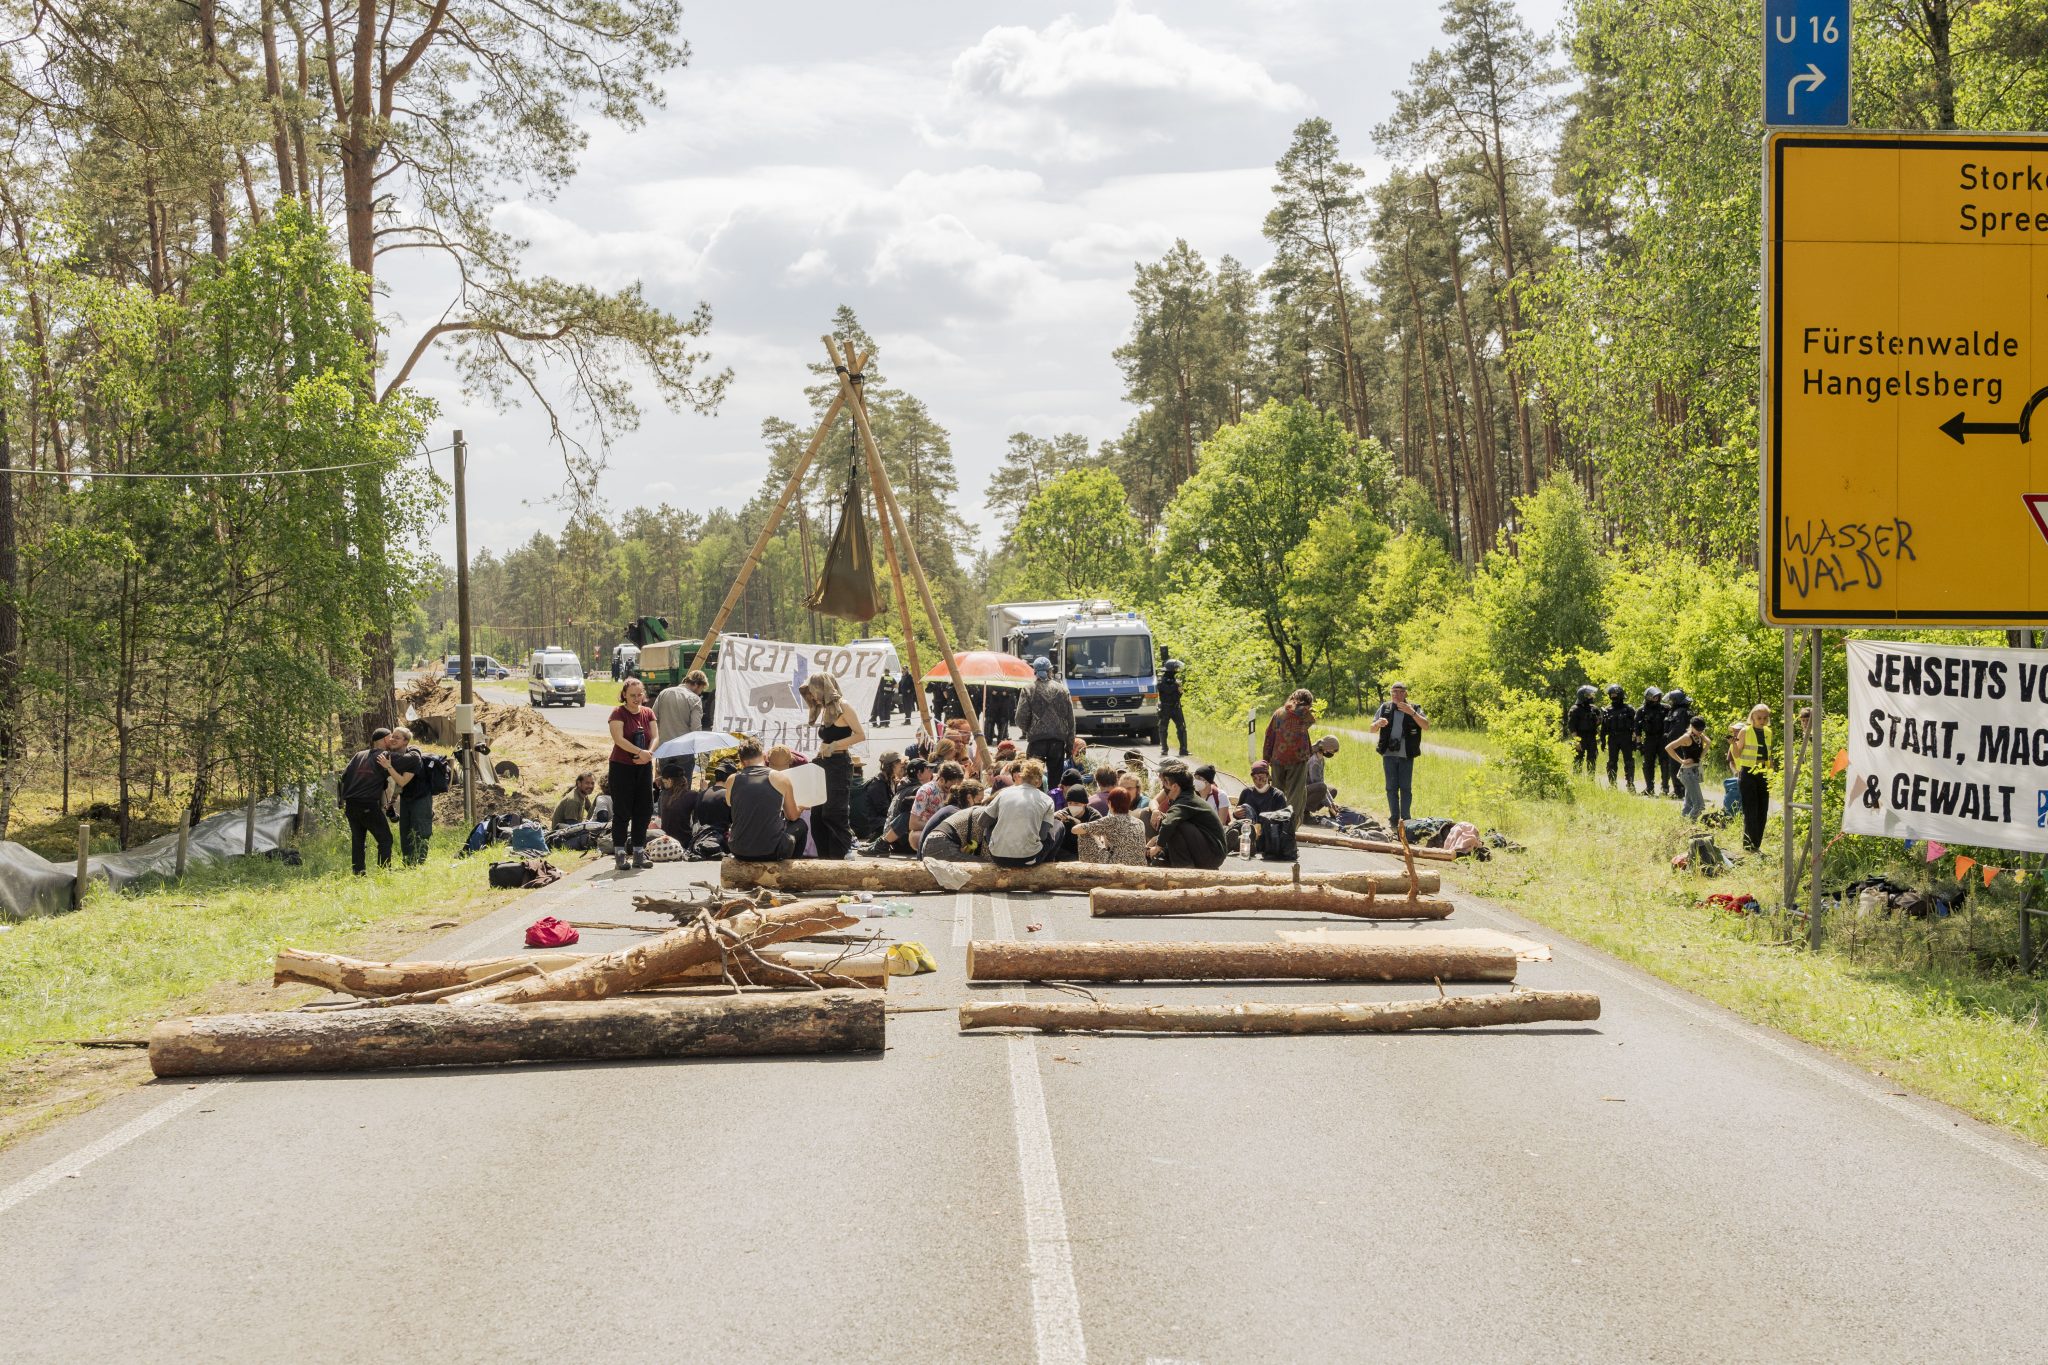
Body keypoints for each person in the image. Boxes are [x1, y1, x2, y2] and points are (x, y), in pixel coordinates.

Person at [800, 673, 865, 861]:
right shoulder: (825, 709)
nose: (813, 696)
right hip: (823, 764)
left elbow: (860, 735)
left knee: (834, 814)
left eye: (814, 691)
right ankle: (824, 860)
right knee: (817, 816)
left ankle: (839, 858)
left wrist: (835, 745)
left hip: (839, 764)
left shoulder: (843, 706)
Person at [607, 676, 660, 871]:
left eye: (640, 694)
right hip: (622, 767)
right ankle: (620, 853)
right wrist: (639, 752)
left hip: (644, 766)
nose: (637, 698)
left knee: (644, 809)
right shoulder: (618, 713)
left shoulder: (648, 712)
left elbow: (655, 736)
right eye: (632, 695)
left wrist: (648, 754)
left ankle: (639, 851)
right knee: (622, 811)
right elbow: (618, 739)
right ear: (624, 695)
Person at [728, 740, 805, 862]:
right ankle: (791, 868)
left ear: (742, 762)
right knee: (800, 824)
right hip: (771, 851)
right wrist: (801, 808)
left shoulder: (732, 779)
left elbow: (730, 804)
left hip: (739, 850)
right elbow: (792, 816)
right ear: (764, 756)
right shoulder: (781, 778)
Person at [1369, 682, 1429, 830]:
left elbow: (1426, 726)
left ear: (1405, 694)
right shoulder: (1385, 707)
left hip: (1406, 754)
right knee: (1391, 788)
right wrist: (1378, 723)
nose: (1396, 695)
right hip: (1388, 753)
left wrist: (1412, 713)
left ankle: (1406, 819)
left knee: (1405, 788)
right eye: (1393, 692)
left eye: (1399, 691)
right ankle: (1394, 818)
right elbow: (1371, 729)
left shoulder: (1415, 708)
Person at [1148, 762, 1227, 869]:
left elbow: (1169, 823)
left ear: (1175, 786)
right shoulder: (1187, 797)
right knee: (1168, 820)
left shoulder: (1185, 801)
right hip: (1209, 850)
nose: (1163, 786)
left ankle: (1183, 867)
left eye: (1165, 783)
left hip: (1213, 855)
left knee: (1173, 824)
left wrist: (1157, 847)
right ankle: (1171, 857)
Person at [1015, 657, 1076, 793]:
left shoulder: (1028, 690)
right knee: (1055, 780)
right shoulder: (1062, 690)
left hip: (1036, 742)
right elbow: (1071, 721)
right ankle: (1053, 804)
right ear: (1050, 671)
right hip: (1057, 742)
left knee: (1033, 777)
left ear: (1035, 672)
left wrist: (1030, 729)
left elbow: (1020, 718)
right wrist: (1069, 745)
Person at [338, 728, 394, 875]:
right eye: (390, 738)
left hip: (351, 805)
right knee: (385, 839)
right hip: (367, 804)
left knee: (358, 841)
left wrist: (341, 801)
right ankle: (384, 873)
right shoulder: (385, 756)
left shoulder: (358, 755)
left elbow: (343, 778)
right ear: (383, 740)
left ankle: (358, 873)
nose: (393, 740)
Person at [1262, 688, 1316, 830]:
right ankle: (1289, 829)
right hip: (1297, 759)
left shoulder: (1278, 713)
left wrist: (1265, 759)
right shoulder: (1304, 714)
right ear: (1308, 703)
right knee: (1296, 795)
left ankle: (1273, 827)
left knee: (1276, 792)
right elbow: (1311, 720)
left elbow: (1269, 735)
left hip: (1277, 758)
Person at [987, 759, 1057, 867]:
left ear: (1021, 777)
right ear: (1038, 781)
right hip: (1029, 859)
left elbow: (982, 821)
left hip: (997, 857)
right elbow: (1043, 836)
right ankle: (1048, 863)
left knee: (990, 821)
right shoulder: (1047, 800)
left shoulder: (1004, 793)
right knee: (1058, 826)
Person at [382, 726, 434, 865]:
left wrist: (388, 767)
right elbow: (399, 786)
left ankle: (420, 862)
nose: (392, 739)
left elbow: (402, 781)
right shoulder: (399, 758)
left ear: (406, 741)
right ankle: (408, 862)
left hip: (421, 798)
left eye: (397, 738)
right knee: (405, 830)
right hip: (407, 798)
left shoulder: (413, 758)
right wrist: (392, 802)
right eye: (392, 736)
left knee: (421, 830)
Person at [652, 668, 709, 787]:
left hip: (665, 749)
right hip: (684, 751)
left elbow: (653, 718)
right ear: (696, 685)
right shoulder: (695, 699)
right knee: (683, 788)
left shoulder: (664, 693)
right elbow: (696, 729)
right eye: (701, 690)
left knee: (666, 787)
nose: (700, 693)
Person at [1729, 703, 1774, 852]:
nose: (1762, 720)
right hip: (1748, 772)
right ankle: (1748, 846)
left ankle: (1757, 845)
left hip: (1763, 773)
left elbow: (1769, 754)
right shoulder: (1745, 731)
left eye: (1765, 718)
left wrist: (1771, 773)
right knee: (1751, 810)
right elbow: (1736, 754)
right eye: (1759, 717)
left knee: (1763, 810)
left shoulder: (1768, 732)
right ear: (1752, 717)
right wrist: (1733, 744)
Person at [1226, 760, 1290, 854]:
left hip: (1267, 834)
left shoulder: (1277, 795)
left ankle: (1243, 845)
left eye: (1261, 777)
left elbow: (1283, 821)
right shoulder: (1246, 792)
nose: (1258, 781)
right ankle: (1236, 843)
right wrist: (1236, 814)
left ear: (1267, 776)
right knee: (1235, 827)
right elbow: (1238, 815)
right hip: (1248, 829)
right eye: (1254, 778)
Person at [1073, 786, 1148, 865]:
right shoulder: (1140, 822)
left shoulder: (1110, 820)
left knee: (1084, 834)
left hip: (1118, 866)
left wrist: (1089, 831)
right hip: (1140, 865)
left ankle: (1086, 868)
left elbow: (1075, 830)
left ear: (1110, 803)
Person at [908, 761, 964, 853]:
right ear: (941, 780)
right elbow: (913, 823)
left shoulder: (960, 789)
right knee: (915, 837)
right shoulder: (925, 791)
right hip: (932, 830)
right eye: (949, 787)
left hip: (954, 830)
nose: (952, 791)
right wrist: (940, 827)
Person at [921, 794, 996, 862]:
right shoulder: (990, 816)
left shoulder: (982, 810)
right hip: (941, 844)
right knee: (986, 865)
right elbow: (986, 854)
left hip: (934, 842)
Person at [1667, 715, 1709, 821]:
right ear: (1692, 727)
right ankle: (1690, 824)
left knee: (1688, 804)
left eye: (1702, 729)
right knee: (1699, 805)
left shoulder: (1700, 736)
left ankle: (1683, 823)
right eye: (1698, 729)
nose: (1700, 731)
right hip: (1687, 773)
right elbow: (1668, 748)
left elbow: (1708, 743)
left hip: (1694, 771)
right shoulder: (1687, 737)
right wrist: (1681, 761)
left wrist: (1699, 757)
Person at [1599, 684, 1637, 793]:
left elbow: (1635, 725)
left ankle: (1630, 784)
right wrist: (1602, 741)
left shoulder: (1629, 709)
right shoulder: (1607, 710)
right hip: (1613, 739)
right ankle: (1612, 785)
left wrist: (1635, 739)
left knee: (1629, 762)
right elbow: (1604, 727)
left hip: (1626, 738)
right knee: (1611, 762)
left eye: (1615, 694)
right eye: (1611, 694)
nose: (1613, 696)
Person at [856, 751, 901, 842]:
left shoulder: (889, 780)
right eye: (899, 763)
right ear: (892, 765)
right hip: (876, 824)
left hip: (884, 820)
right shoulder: (878, 783)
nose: (901, 765)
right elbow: (883, 809)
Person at [1052, 783, 1099, 860]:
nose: (1072, 806)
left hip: (1087, 853)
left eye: (1076, 803)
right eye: (1070, 803)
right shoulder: (1064, 813)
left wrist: (1080, 826)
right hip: (1066, 854)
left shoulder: (1094, 816)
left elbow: (1097, 840)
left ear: (1084, 804)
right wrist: (1053, 817)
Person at [1662, 688, 1695, 799]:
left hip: (1679, 744)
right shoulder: (1685, 710)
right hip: (1686, 744)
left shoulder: (1679, 712)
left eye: (1671, 700)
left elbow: (1678, 728)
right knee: (1684, 766)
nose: (1670, 702)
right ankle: (1683, 790)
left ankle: (1679, 791)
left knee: (1675, 767)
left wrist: (1668, 737)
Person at [1636, 687, 1668, 800]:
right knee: (1647, 764)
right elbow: (1637, 728)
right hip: (1649, 739)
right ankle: (1649, 788)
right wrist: (1639, 743)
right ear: (1648, 697)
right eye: (1654, 696)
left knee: (1665, 762)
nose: (1656, 698)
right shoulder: (1642, 710)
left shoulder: (1665, 708)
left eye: (1658, 696)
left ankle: (1665, 788)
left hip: (1663, 739)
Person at [657, 758, 697, 843]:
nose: (664, 785)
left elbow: (660, 817)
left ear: (670, 780)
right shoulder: (692, 795)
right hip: (685, 841)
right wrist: (703, 791)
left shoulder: (663, 794)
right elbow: (698, 818)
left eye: (664, 782)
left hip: (665, 841)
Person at [1157, 657, 1188, 756]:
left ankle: (1183, 749)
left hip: (1175, 707)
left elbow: (1179, 694)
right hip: (1165, 707)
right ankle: (1164, 748)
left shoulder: (1175, 680)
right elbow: (1167, 690)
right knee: (1163, 728)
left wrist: (1179, 689)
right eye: (1175, 668)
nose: (1176, 670)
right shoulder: (1162, 680)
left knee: (1181, 727)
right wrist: (1176, 685)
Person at [1567, 685, 1600, 775]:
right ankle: (1577, 780)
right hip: (1579, 737)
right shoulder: (1575, 709)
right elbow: (1571, 726)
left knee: (1592, 759)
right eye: (1589, 695)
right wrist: (1576, 741)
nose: (1591, 696)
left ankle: (1591, 780)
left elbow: (1598, 723)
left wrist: (1598, 720)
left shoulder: (1594, 708)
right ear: (1583, 696)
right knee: (1578, 760)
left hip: (1591, 737)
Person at [1303, 737, 1339, 817]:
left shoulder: (1321, 759)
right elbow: (1318, 784)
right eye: (1332, 751)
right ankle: (1304, 812)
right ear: (1326, 748)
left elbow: (1321, 781)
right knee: (1322, 787)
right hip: (1301, 791)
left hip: (1310, 788)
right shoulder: (1314, 760)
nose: (1332, 754)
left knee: (1333, 790)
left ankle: (1309, 809)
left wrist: (1332, 802)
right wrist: (1330, 805)